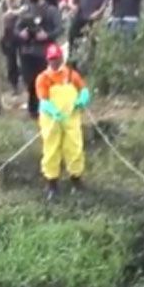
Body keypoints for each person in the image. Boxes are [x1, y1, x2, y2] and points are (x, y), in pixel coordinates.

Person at [36, 43, 91, 200]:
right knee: (51, 149)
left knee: (74, 147)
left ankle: (76, 181)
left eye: (57, 58)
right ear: (48, 59)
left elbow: (83, 89)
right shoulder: (43, 78)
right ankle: (51, 184)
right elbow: (43, 100)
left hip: (71, 117)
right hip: (51, 120)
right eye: (52, 59)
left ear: (61, 58)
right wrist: (52, 111)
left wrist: (83, 98)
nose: (55, 61)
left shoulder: (71, 74)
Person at [14, 0, 63, 119]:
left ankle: (49, 108)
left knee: (46, 81)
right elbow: (17, 28)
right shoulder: (25, 10)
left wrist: (47, 35)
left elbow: (59, 28)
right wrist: (20, 33)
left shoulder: (51, 10)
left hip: (44, 52)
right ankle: (33, 110)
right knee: (30, 82)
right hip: (27, 51)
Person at [0, 0, 26, 94]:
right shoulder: (4, 1)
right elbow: (0, 16)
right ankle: (14, 84)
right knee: (11, 60)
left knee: (24, 57)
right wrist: (12, 13)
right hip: (8, 32)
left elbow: (26, 12)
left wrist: (15, 12)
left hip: (22, 31)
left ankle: (26, 80)